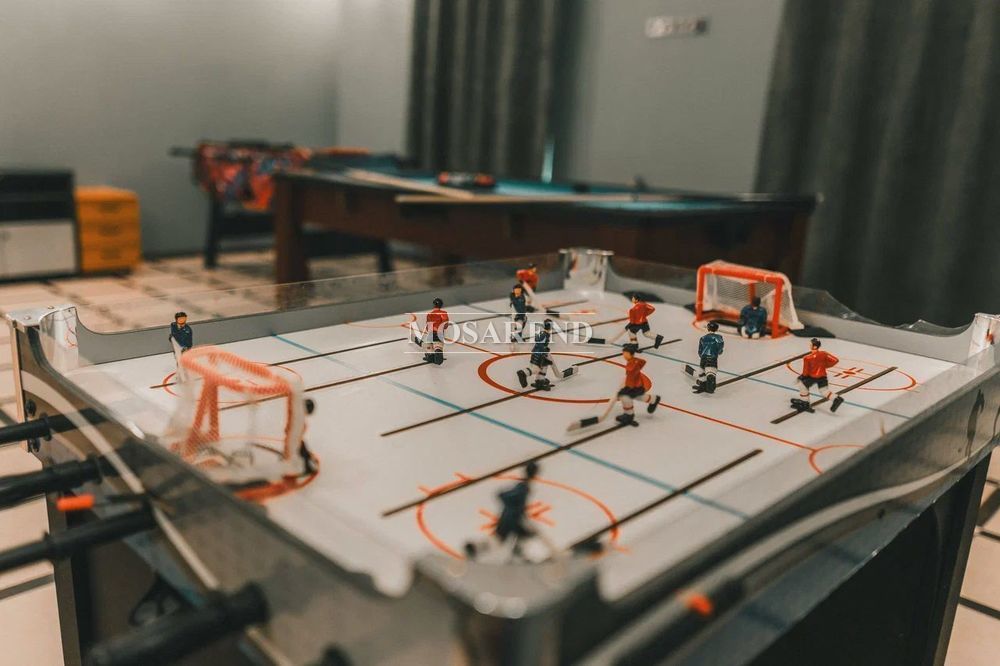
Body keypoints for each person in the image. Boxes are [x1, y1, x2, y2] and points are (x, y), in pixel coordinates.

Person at [464, 461, 556, 561]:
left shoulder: (523, 487)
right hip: (512, 518)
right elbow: (504, 496)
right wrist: (512, 507)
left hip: (513, 517)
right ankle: (476, 547)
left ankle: (517, 551)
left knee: (516, 536)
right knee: (503, 538)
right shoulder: (522, 488)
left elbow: (506, 497)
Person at [567, 345, 660, 430]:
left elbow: (631, 378)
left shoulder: (632, 365)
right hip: (634, 385)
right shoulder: (633, 361)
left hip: (635, 386)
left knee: (625, 397)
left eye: (625, 353)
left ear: (630, 354)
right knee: (635, 397)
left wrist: (626, 388)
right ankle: (653, 399)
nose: (624, 355)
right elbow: (642, 362)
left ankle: (629, 415)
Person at [792, 338, 844, 413]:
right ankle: (836, 399)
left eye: (810, 344)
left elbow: (805, 372)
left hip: (812, 377)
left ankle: (805, 403)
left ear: (815, 346)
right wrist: (825, 366)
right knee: (824, 390)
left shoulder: (807, 358)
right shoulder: (824, 353)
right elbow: (835, 360)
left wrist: (801, 377)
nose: (809, 345)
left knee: (802, 385)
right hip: (822, 376)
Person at [517, 319, 568, 390]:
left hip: (538, 352)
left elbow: (537, 340)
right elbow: (539, 344)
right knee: (536, 368)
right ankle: (524, 373)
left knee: (544, 366)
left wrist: (544, 349)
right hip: (539, 353)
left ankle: (540, 380)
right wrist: (544, 350)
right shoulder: (545, 335)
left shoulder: (543, 333)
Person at [696, 322, 724, 393]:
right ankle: (710, 388)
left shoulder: (703, 338)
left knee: (702, 372)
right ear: (716, 329)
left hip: (703, 357)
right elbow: (720, 346)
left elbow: (700, 350)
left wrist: (702, 355)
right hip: (712, 358)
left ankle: (702, 386)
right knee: (711, 372)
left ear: (708, 328)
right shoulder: (718, 337)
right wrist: (719, 352)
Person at [420, 298, 450, 365]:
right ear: (441, 305)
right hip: (439, 333)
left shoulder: (429, 314)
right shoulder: (444, 313)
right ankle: (438, 349)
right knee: (438, 344)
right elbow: (445, 325)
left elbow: (428, 327)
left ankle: (430, 355)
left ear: (434, 305)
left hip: (431, 333)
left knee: (429, 345)